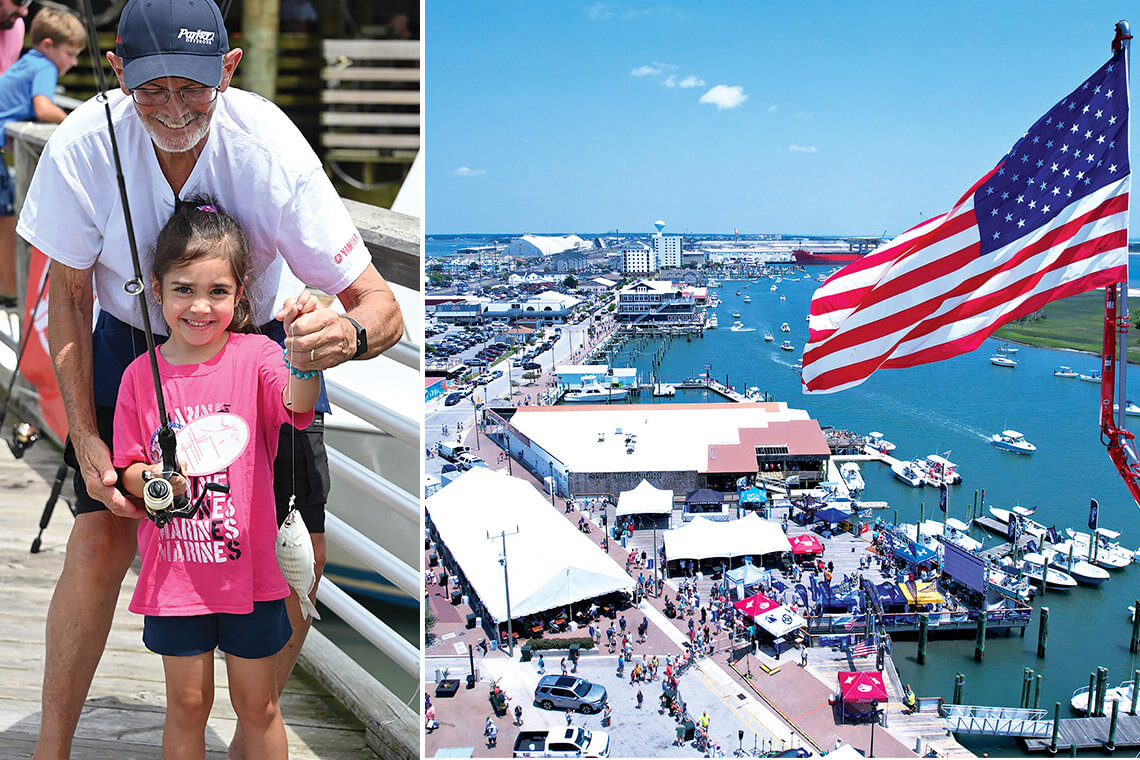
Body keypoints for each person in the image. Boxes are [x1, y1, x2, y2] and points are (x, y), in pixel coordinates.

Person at [19, 0, 403, 756]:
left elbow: (382, 306)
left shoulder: (269, 146)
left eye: (192, 88)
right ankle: (50, 747)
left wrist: (347, 337)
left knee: (304, 554)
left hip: (259, 348)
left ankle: (253, 729)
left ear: (228, 69)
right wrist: (89, 440)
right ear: (117, 71)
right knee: (99, 541)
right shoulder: (82, 143)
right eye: (150, 90)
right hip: (129, 341)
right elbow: (65, 296)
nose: (172, 110)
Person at [113, 202, 319, 758]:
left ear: (242, 292)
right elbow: (127, 466)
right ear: (155, 290)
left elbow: (297, 402)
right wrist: (146, 480)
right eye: (183, 289)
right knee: (186, 706)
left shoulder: (257, 354)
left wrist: (304, 351)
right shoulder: (139, 375)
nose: (200, 306)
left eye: (218, 292)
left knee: (259, 707)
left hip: (251, 577)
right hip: (174, 577)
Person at [0, 7, 84, 304]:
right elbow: (43, 109)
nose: (73, 63)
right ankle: (10, 295)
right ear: (48, 46)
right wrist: (77, 122)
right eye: (70, 54)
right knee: (8, 216)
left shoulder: (27, 61)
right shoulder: (45, 67)